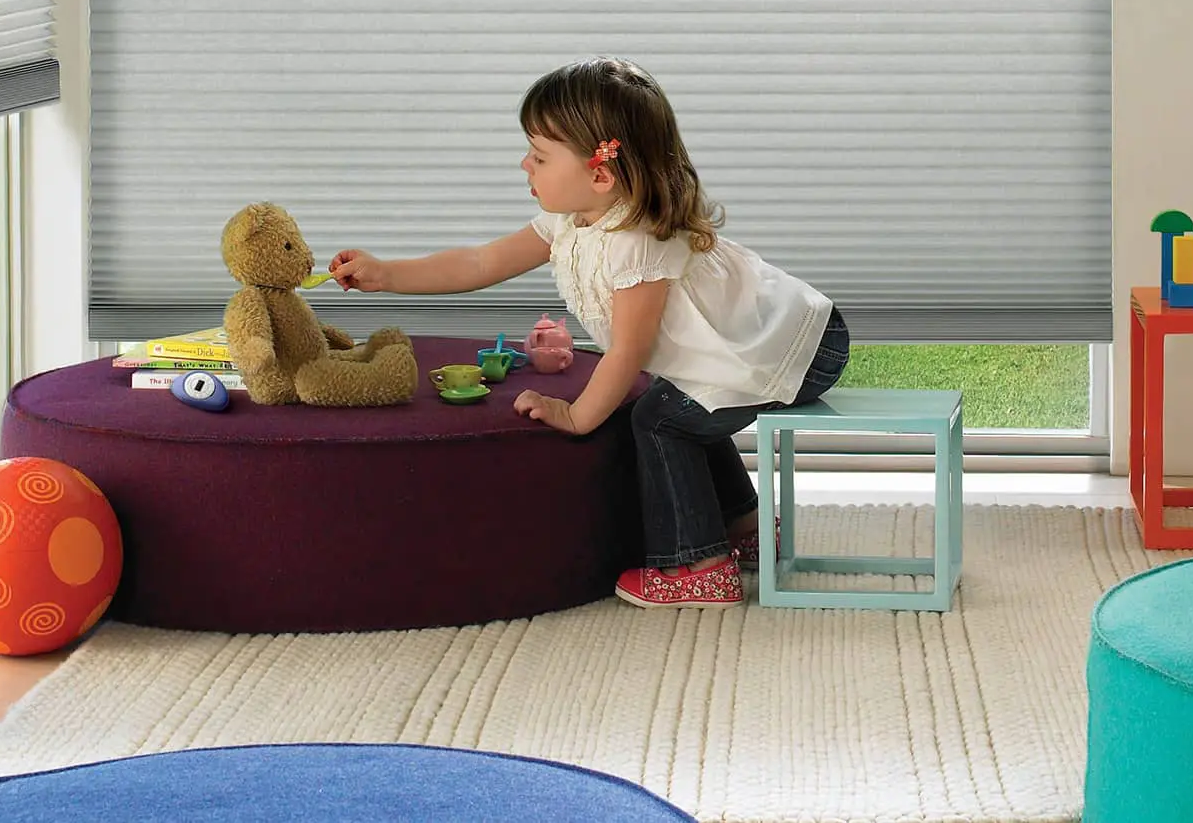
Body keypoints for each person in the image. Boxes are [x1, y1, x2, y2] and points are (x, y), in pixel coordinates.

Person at [329, 57, 849, 609]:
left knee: (658, 417)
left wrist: (578, 415)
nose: (523, 163)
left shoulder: (639, 239)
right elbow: (481, 262)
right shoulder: (570, 218)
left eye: (539, 154)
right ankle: (742, 528)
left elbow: (631, 348)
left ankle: (699, 564)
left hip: (797, 348)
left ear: (600, 173)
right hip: (747, 348)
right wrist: (387, 274)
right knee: (680, 400)